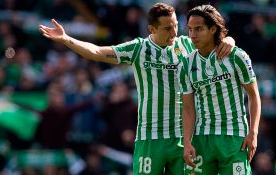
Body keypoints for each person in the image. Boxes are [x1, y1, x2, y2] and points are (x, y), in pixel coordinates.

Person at [39, 3, 235, 174]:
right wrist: (66, 39)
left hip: (182, 139)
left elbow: (217, 45)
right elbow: (97, 52)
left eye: (176, 25)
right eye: (167, 28)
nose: (174, 32)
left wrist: (228, 41)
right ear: (152, 29)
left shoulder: (185, 45)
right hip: (149, 138)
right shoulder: (138, 49)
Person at [178, 5, 261, 175]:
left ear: (213, 29)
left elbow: (253, 96)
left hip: (234, 137)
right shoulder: (186, 65)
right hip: (202, 139)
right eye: (190, 29)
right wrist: (187, 142)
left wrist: (253, 133)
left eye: (199, 29)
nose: (193, 34)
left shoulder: (237, 56)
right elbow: (187, 108)